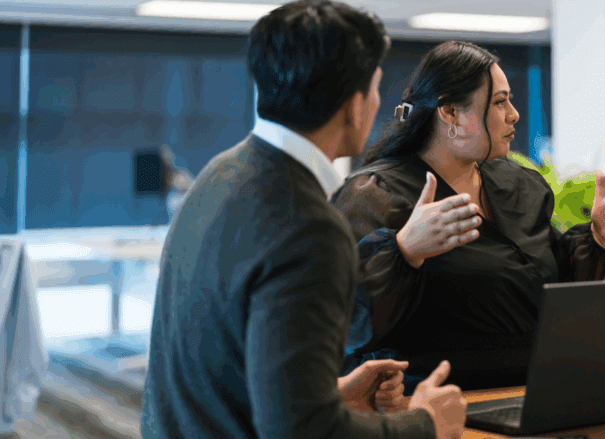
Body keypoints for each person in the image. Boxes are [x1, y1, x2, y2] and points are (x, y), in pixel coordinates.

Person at [141, 2, 466, 438]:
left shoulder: (219, 174)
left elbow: (225, 371)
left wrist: (324, 393)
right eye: (374, 89)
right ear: (353, 107)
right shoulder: (310, 225)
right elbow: (303, 433)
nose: (376, 104)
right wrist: (425, 425)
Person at [333, 41, 605, 393]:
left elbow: (550, 285)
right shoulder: (376, 195)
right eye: (499, 102)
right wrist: (404, 251)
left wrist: (599, 238)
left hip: (536, 392)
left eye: (510, 100)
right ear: (450, 113)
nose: (513, 114)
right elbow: (343, 323)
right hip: (438, 403)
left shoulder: (518, 183)